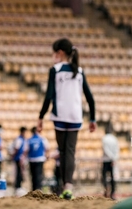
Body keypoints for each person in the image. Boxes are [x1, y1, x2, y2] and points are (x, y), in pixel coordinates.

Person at [37, 38, 96, 201]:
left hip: (60, 115)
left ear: (60, 53)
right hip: (76, 115)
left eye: (54, 53)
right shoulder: (80, 71)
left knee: (62, 151)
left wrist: (40, 117)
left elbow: (48, 97)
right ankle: (68, 187)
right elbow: (90, 98)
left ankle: (65, 187)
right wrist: (93, 119)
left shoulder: (55, 70)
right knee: (70, 151)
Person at [23, 126, 50, 191]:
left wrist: (23, 158)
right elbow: (47, 148)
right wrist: (47, 156)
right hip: (40, 159)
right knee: (39, 175)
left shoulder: (29, 140)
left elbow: (26, 150)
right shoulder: (42, 139)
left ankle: (34, 189)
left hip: (32, 159)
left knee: (33, 175)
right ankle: (39, 189)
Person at [102, 123, 119, 200]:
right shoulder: (114, 138)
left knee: (105, 176)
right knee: (112, 177)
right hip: (112, 160)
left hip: (106, 160)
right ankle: (112, 192)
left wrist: (111, 157)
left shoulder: (104, 138)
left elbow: (105, 150)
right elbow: (117, 150)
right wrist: (114, 158)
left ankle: (106, 189)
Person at [8, 126, 27, 193]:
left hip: (21, 158)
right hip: (18, 158)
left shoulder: (23, 139)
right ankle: (17, 186)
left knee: (21, 173)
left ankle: (19, 186)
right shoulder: (19, 139)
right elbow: (16, 149)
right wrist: (13, 157)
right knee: (18, 173)